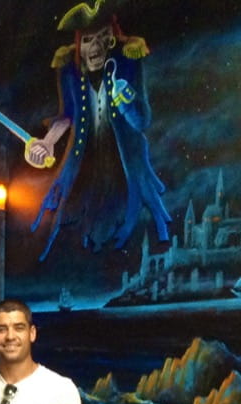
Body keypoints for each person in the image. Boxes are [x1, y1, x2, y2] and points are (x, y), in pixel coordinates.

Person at [27, 0, 171, 260]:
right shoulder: (69, 70)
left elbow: (141, 121)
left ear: (111, 38)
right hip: (85, 163)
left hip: (124, 163)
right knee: (71, 225)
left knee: (127, 226)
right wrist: (48, 142)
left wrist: (124, 100)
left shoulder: (128, 58)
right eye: (87, 40)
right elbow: (68, 115)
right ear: (79, 44)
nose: (95, 47)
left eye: (102, 37)